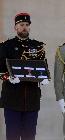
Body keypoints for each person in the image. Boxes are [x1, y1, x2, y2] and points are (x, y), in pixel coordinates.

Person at [0, 12, 49, 140]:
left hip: (31, 100)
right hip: (12, 99)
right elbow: (0, 70)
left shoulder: (37, 46)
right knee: (12, 136)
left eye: (27, 25)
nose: (24, 27)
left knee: (29, 136)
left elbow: (44, 68)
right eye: (21, 25)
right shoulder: (6, 46)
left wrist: (45, 78)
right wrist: (8, 77)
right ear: (15, 27)